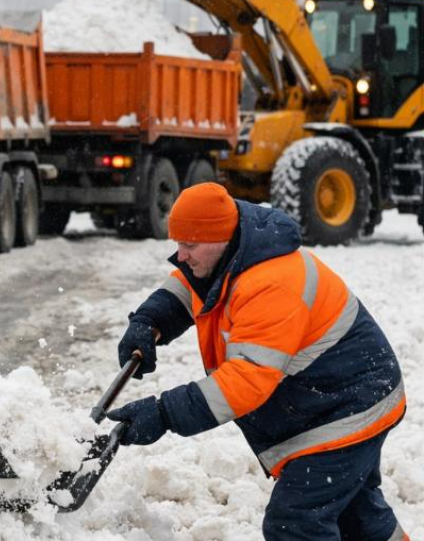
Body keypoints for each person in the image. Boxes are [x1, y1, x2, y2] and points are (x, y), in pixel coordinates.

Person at [107, 182, 408, 540]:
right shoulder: (232, 254)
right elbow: (190, 286)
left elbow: (246, 381)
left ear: (220, 237)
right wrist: (148, 322)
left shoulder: (271, 283)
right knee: (356, 516)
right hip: (327, 398)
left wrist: (163, 413)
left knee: (295, 523)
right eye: (178, 244)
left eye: (189, 246)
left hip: (349, 405)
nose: (181, 255)